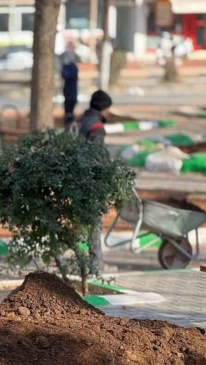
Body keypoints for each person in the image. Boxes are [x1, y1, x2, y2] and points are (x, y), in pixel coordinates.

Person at [77, 90, 113, 274]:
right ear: (104, 108)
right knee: (93, 223)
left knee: (76, 223)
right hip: (88, 182)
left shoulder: (80, 120)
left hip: (73, 178)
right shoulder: (97, 127)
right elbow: (97, 158)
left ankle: (80, 262)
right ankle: (96, 267)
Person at [60, 49, 79, 126]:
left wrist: (61, 68)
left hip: (71, 93)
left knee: (69, 111)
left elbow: (66, 75)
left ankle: (70, 124)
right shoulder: (67, 66)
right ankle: (68, 123)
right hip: (67, 93)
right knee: (67, 110)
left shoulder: (72, 67)